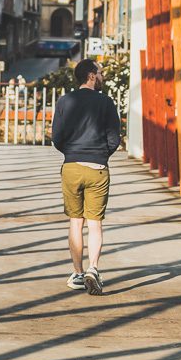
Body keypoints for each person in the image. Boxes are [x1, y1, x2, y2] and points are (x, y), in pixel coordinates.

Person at [50, 58, 122, 295]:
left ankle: (78, 273)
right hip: (97, 168)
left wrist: (72, 152)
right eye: (100, 73)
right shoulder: (106, 102)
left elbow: (57, 137)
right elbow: (114, 138)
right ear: (91, 76)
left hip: (71, 166)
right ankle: (93, 268)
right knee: (95, 224)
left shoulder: (65, 101)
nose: (102, 76)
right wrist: (101, 154)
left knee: (75, 222)